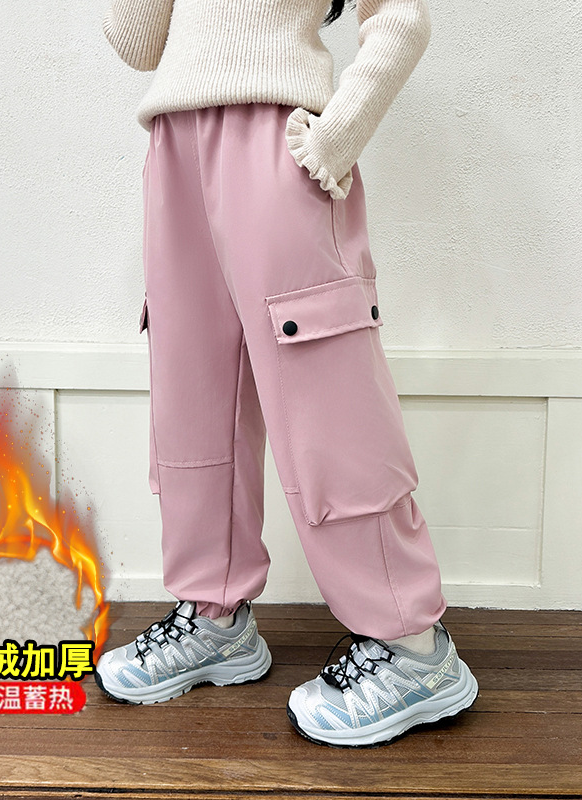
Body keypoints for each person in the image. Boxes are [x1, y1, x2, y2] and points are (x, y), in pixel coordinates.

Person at [93, 0, 478, 748]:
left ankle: (414, 648)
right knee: (193, 390)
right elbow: (135, 40)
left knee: (326, 391)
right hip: (173, 141)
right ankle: (215, 616)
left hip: (276, 138)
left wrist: (339, 135)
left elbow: (401, 17)